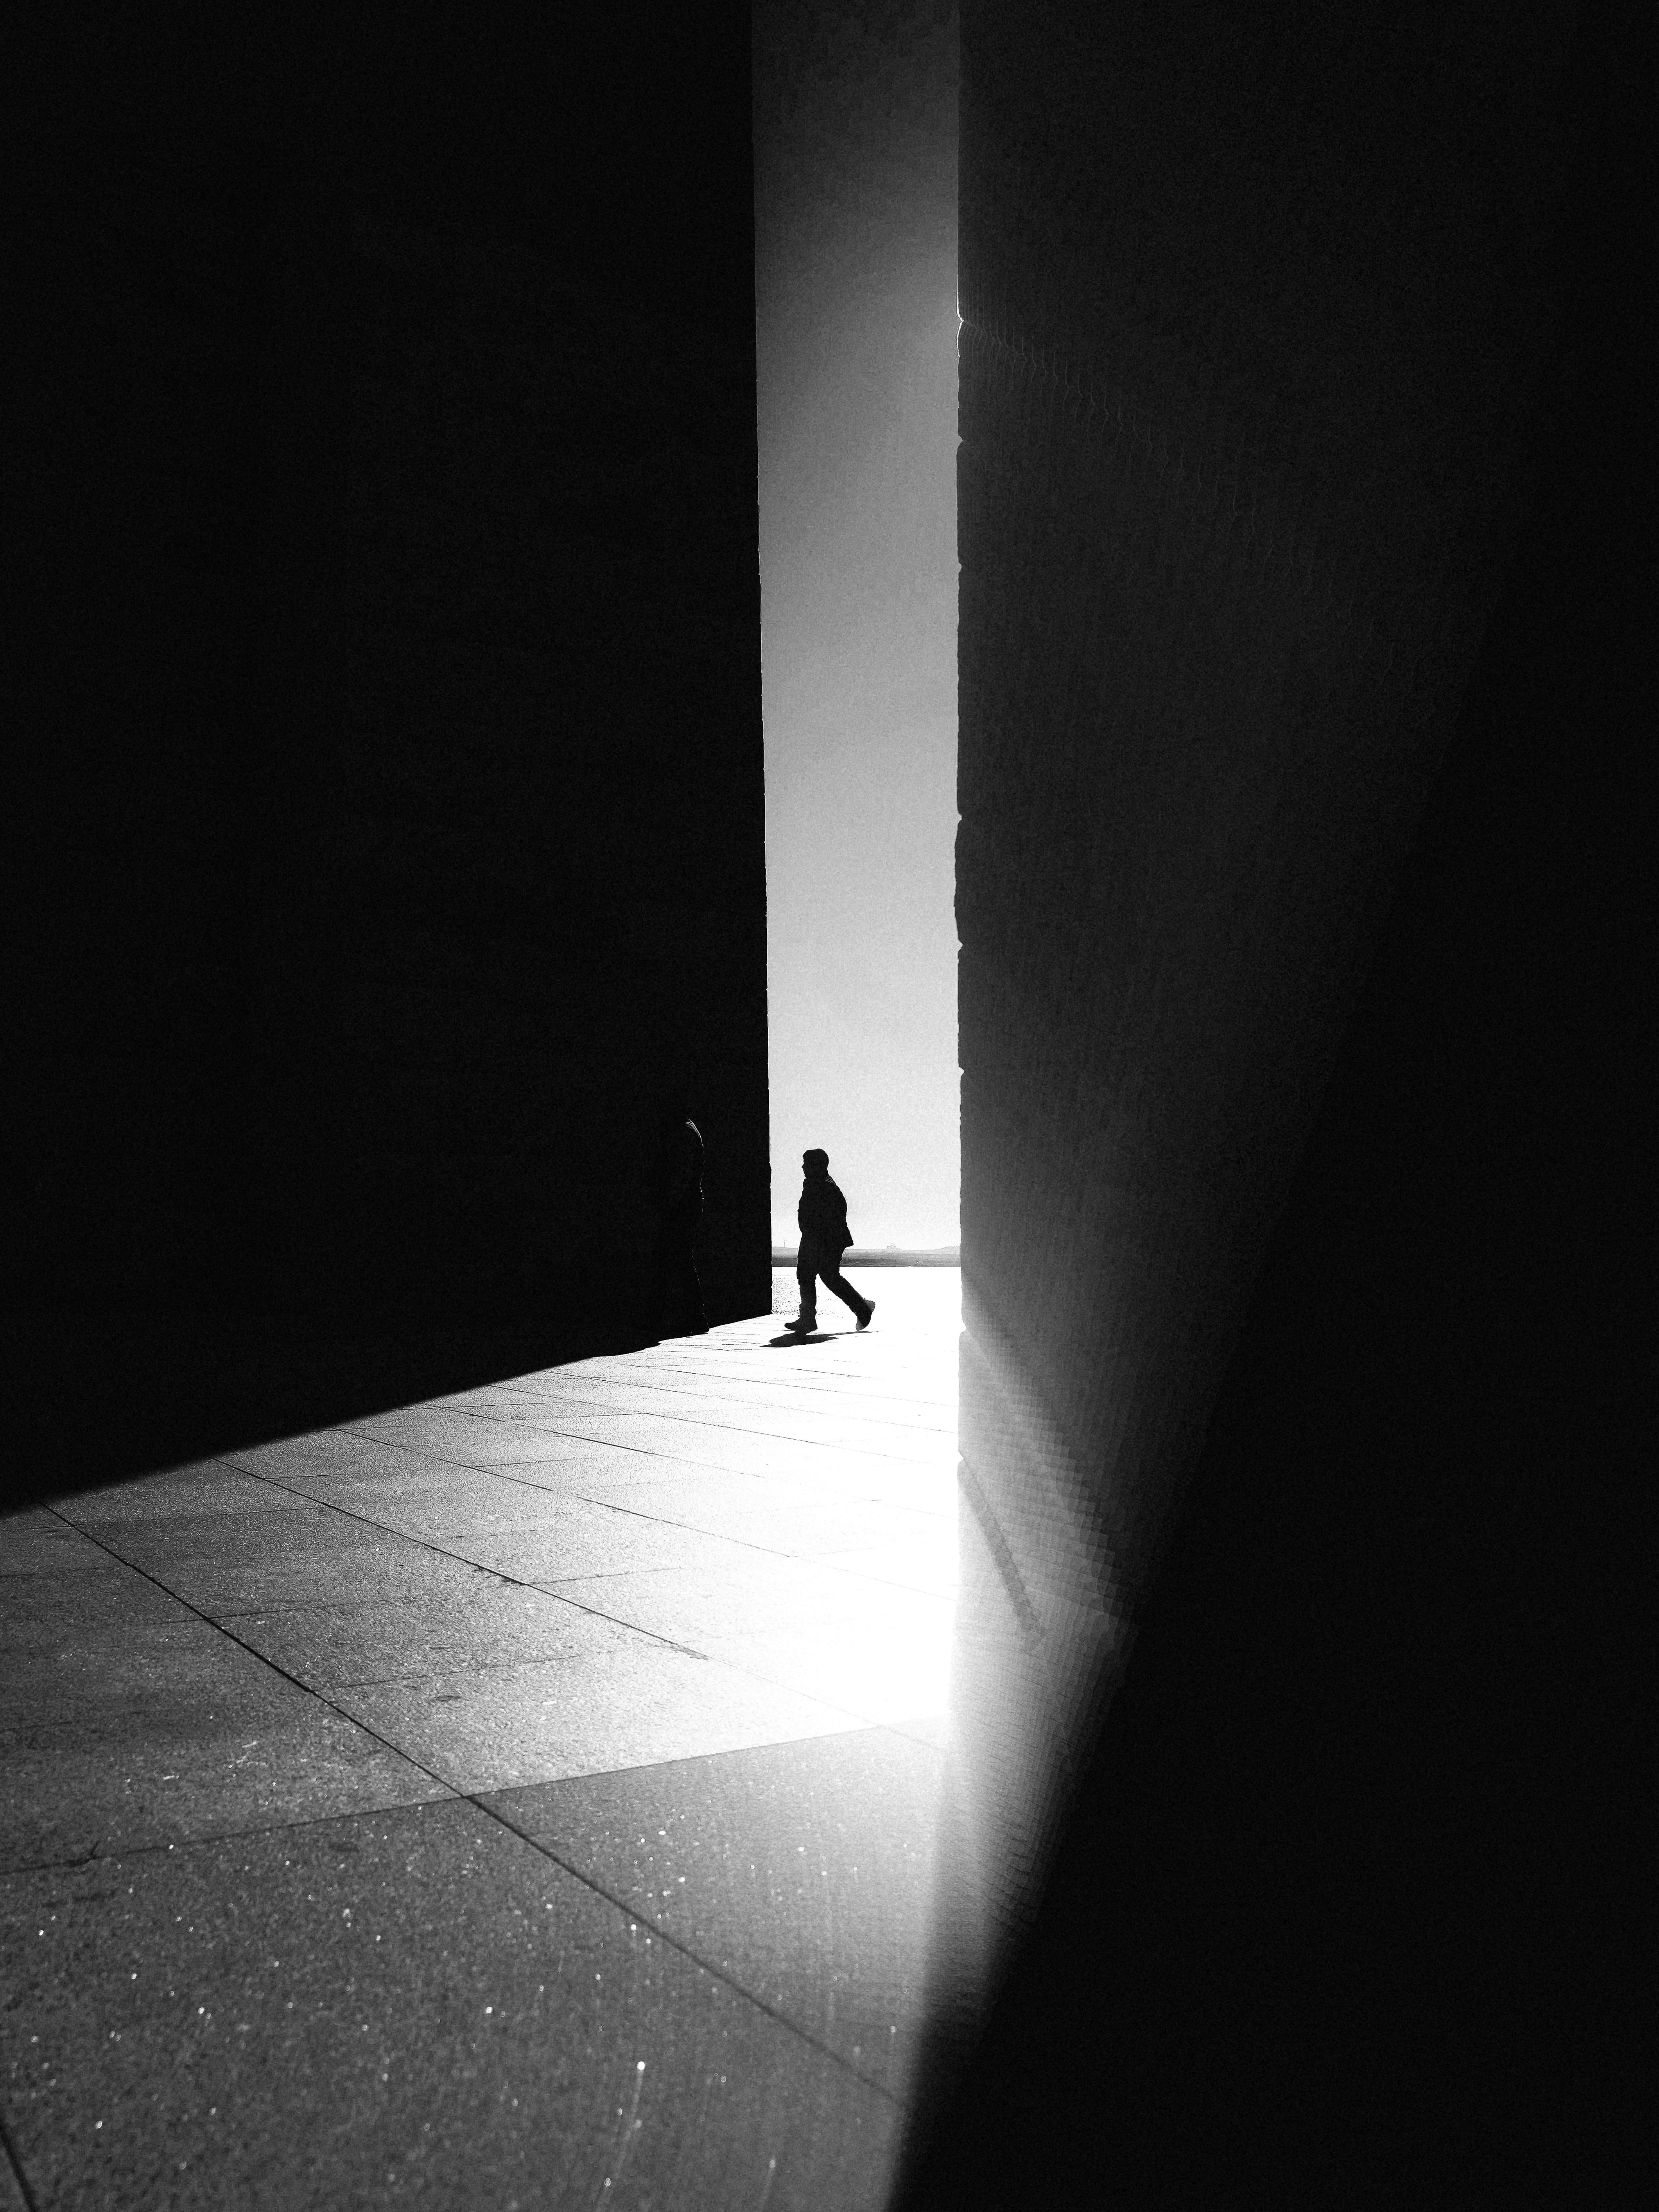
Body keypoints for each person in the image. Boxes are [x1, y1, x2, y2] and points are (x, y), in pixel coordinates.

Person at [788, 1148, 875, 1332]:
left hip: (822, 1240)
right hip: (818, 1239)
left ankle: (861, 1309)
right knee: (814, 1276)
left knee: (823, 1276)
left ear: (817, 1166)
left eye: (807, 1164)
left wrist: (817, 1237)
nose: (803, 1167)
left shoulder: (823, 1186)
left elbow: (830, 1215)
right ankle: (859, 1307)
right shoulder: (820, 1184)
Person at [650, 1099, 707, 1335]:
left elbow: (681, 1173)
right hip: (688, 1203)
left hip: (682, 1205)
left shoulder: (683, 1132)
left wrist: (669, 1203)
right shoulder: (690, 1130)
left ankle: (688, 1316)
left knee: (676, 1258)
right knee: (681, 1259)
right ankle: (693, 1316)